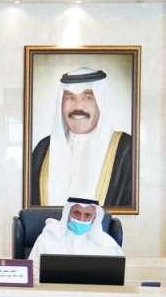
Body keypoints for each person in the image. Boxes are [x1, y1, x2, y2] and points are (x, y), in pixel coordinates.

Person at [30, 67, 133, 207]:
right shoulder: (43, 149)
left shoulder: (126, 149)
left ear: (101, 102)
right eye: (70, 97)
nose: (78, 106)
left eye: (88, 97)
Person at [27, 197, 123, 279]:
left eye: (87, 215)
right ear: (68, 214)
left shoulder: (106, 244)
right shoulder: (48, 236)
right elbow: (32, 272)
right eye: (77, 213)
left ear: (94, 218)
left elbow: (116, 277)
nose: (81, 219)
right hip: (53, 293)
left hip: (92, 294)